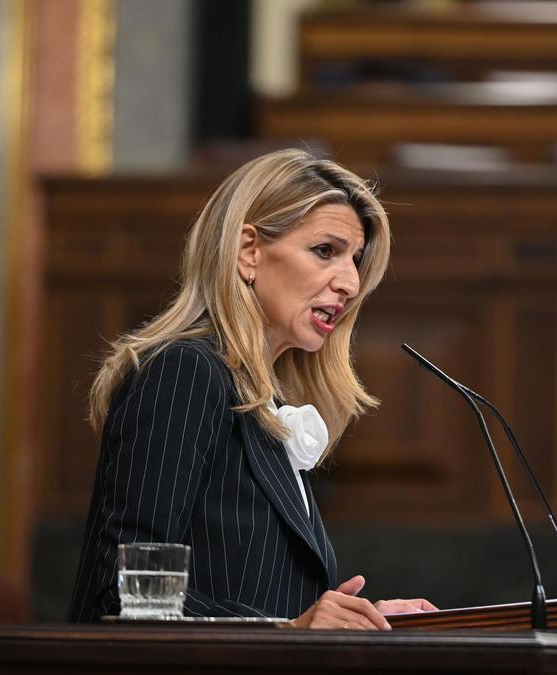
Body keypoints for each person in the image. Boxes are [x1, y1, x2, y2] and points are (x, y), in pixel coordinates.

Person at [67, 149, 437, 629]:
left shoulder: (265, 405)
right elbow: (128, 598)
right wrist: (291, 630)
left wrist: (358, 620)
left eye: (356, 260)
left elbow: (254, 593)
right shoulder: (184, 371)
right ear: (248, 252)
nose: (349, 281)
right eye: (326, 250)